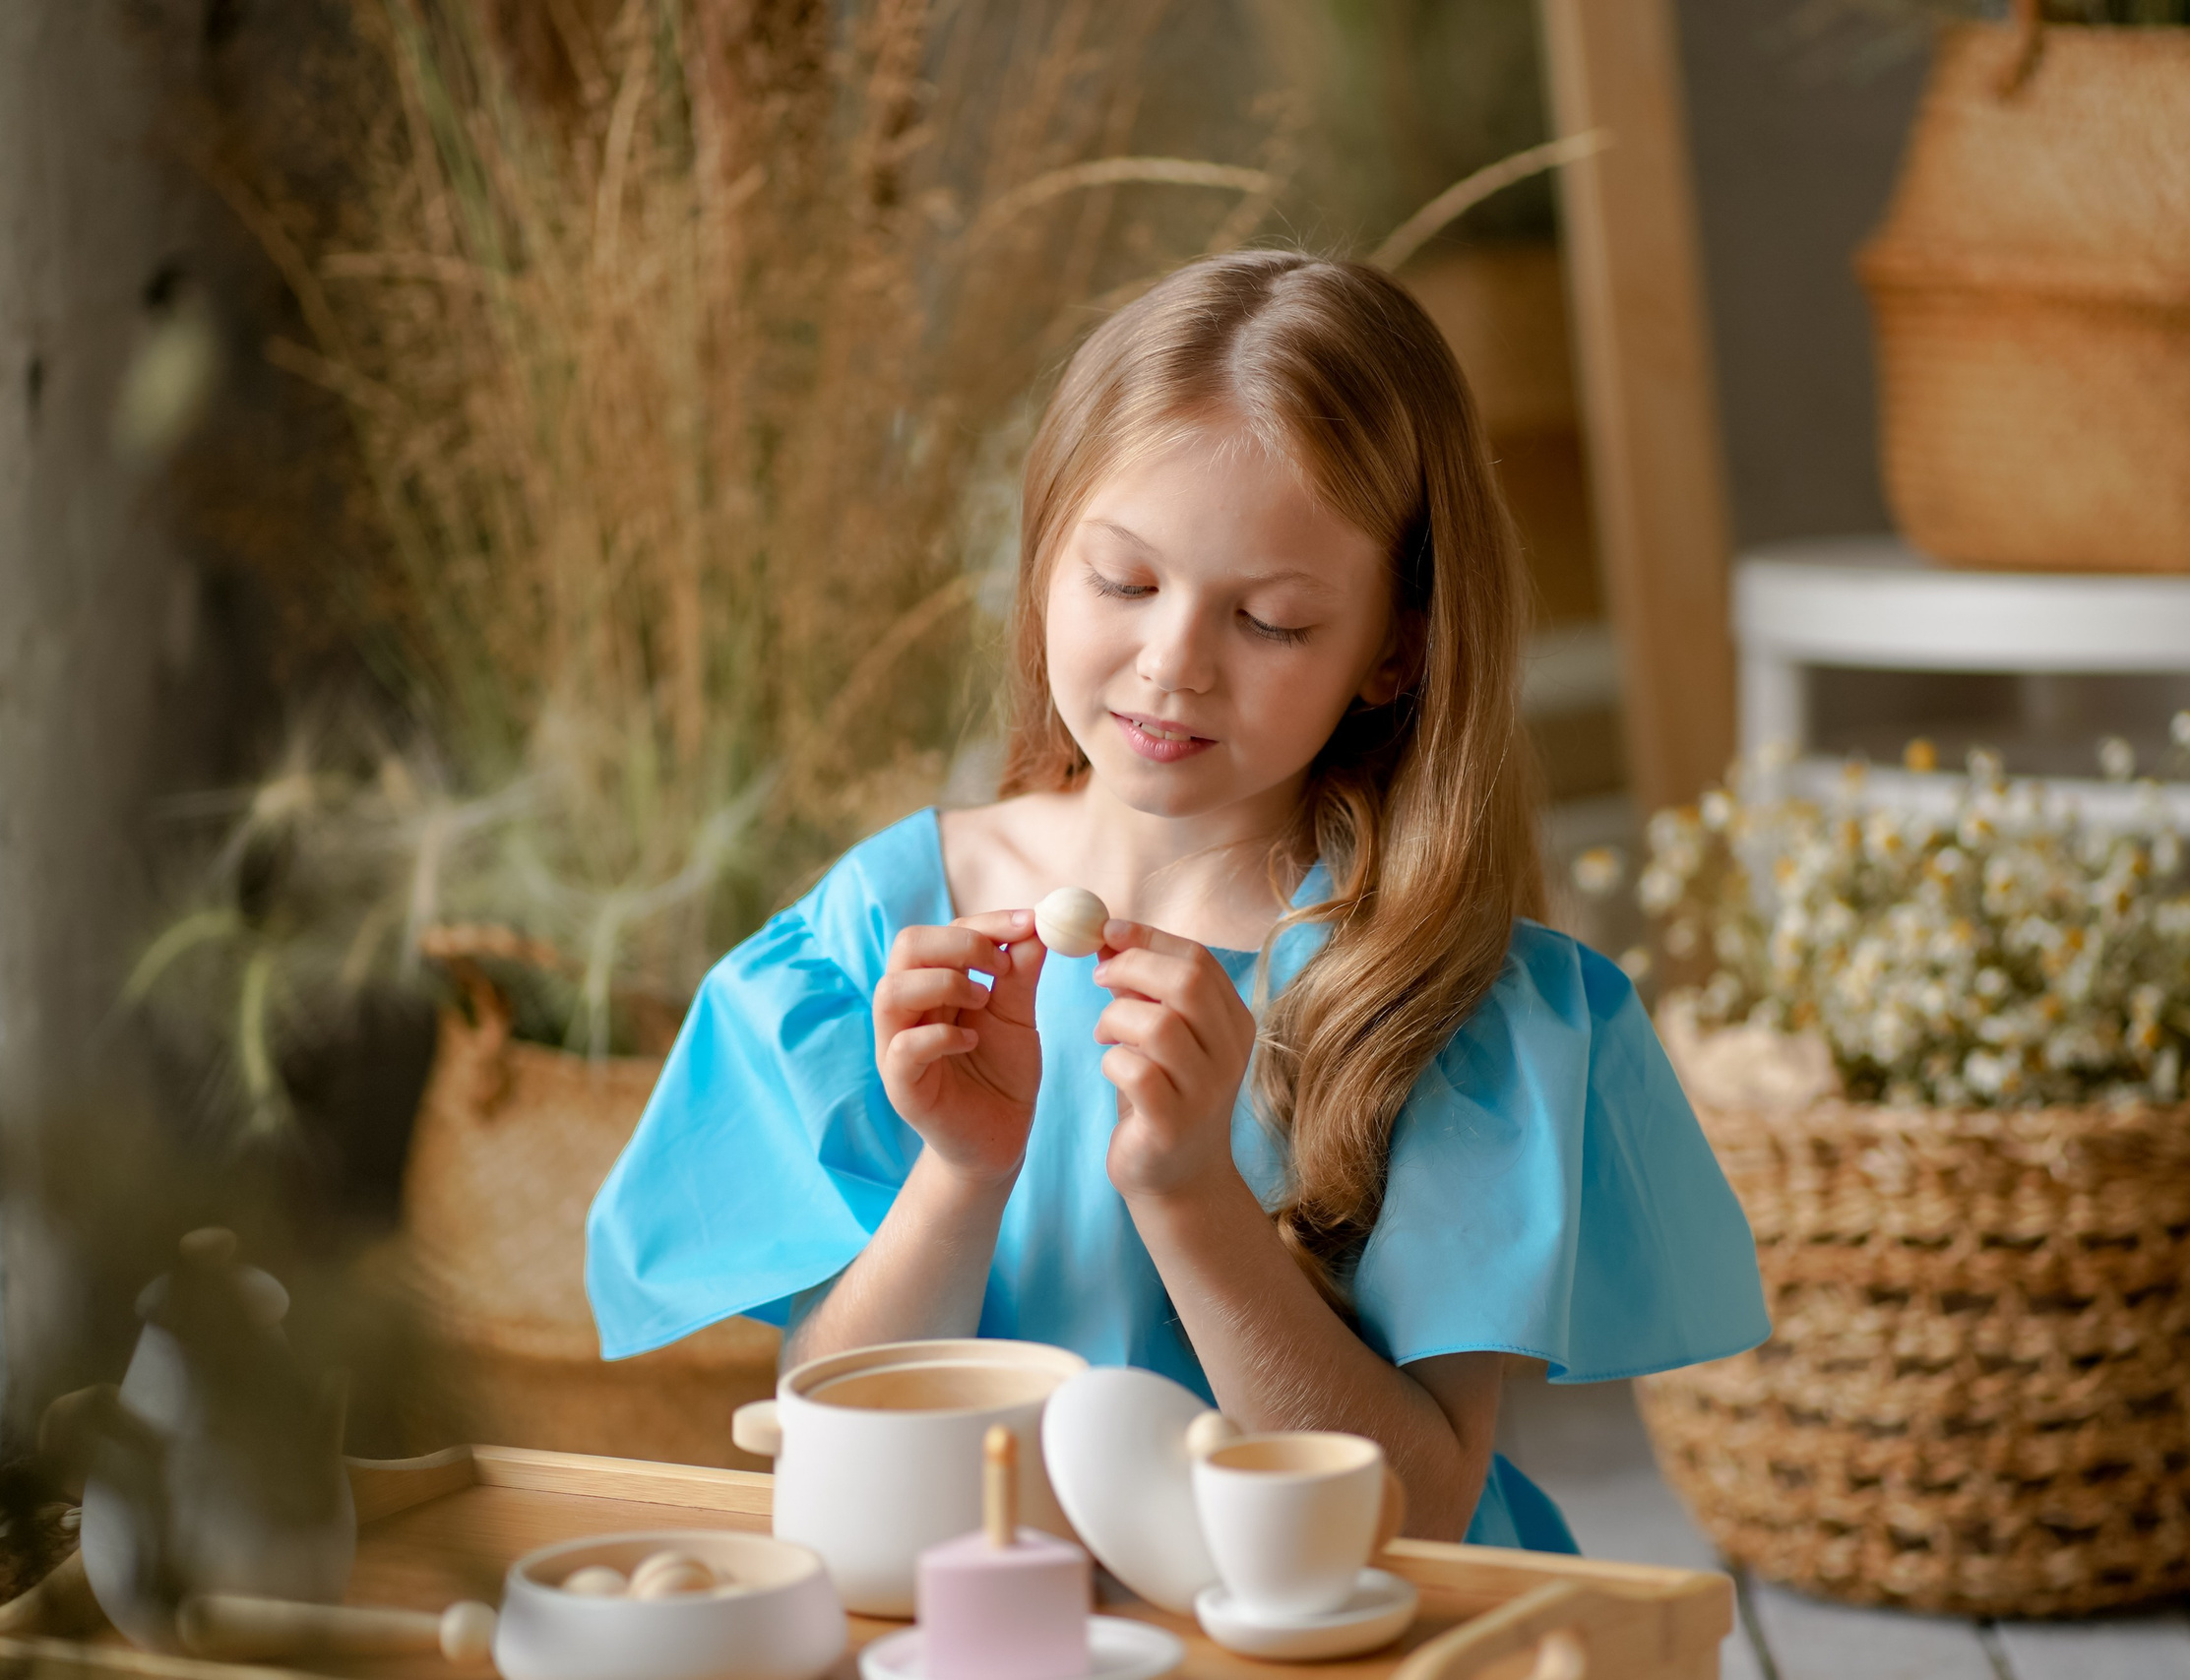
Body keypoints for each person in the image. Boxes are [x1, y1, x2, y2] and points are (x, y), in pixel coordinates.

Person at [586, 249, 1767, 1551]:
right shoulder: (886, 930)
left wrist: (1193, 1196)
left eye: (1269, 621)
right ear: (1044, 556)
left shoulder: (1431, 992)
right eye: (1127, 583)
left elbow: (1414, 1505)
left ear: (1396, 651)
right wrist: (963, 1170)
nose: (1173, 665)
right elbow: (826, 1429)